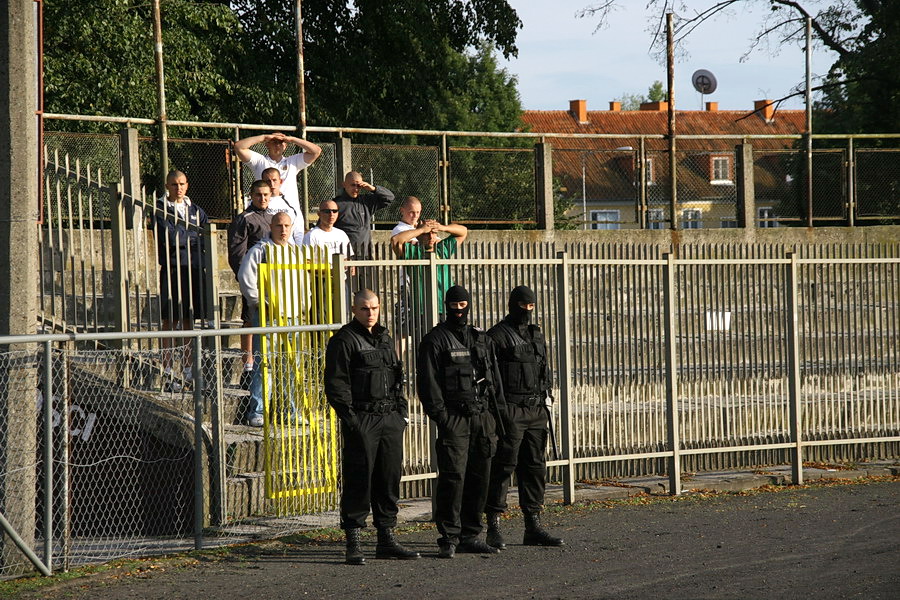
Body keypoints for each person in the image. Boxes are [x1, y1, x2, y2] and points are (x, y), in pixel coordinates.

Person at [324, 289, 420, 565]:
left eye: (375, 308)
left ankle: (386, 539)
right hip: (363, 419)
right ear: (354, 310)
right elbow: (336, 384)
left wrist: (400, 412)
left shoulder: (384, 338)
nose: (371, 314)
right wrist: (352, 420)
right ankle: (353, 541)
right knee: (359, 479)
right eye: (365, 309)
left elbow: (397, 377)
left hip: (389, 418)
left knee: (388, 478)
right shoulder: (344, 340)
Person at [416, 285, 506, 558]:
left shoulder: (482, 338)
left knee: (480, 477)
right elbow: (428, 384)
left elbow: (495, 381)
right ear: (446, 306)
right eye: (454, 305)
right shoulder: (435, 340)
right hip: (454, 419)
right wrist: (442, 417)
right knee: (453, 478)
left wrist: (497, 415)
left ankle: (471, 534)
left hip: (482, 418)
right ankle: (449, 537)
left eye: (463, 304)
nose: (459, 310)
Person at [484, 286, 564, 549]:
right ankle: (494, 524)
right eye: (523, 306)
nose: (527, 311)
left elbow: (544, 368)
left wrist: (546, 396)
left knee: (534, 467)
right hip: (512, 409)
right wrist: (501, 411)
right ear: (512, 305)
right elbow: (490, 378)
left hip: (536, 409)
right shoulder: (497, 336)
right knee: (504, 466)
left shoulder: (534, 335)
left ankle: (533, 524)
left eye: (531, 307)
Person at [237, 211, 299, 426]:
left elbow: (302, 283)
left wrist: (302, 305)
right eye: (279, 225)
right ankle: (258, 411)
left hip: (292, 317)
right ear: (271, 227)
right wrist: (258, 301)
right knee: (265, 365)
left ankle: (288, 410)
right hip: (268, 316)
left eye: (286, 226)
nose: (283, 230)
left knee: (291, 366)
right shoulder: (259, 251)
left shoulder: (295, 252)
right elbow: (245, 277)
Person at [150, 170, 208, 393]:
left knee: (188, 321)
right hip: (172, 269)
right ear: (167, 186)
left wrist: (187, 237)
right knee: (169, 321)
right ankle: (167, 372)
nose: (179, 188)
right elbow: (168, 236)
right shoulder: (160, 209)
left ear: (187, 184)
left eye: (182, 184)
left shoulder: (196, 210)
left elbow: (204, 236)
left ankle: (187, 371)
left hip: (193, 269)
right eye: (174, 184)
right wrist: (189, 237)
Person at [228, 180, 276, 384]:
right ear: (251, 195)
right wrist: (245, 278)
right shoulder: (244, 219)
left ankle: (267, 361)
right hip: (253, 279)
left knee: (271, 320)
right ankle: (248, 365)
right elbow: (237, 253)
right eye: (258, 195)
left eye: (266, 194)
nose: (262, 198)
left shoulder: (274, 218)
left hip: (273, 280)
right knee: (249, 320)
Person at [391, 219, 467, 318]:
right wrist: (421, 230)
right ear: (418, 236)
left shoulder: (442, 249)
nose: (431, 237)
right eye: (427, 234)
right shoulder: (412, 252)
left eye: (434, 233)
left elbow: (463, 231)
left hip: (446, 307)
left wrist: (442, 227)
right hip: (422, 309)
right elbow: (395, 240)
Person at [234, 132, 322, 207]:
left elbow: (316, 151)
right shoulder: (259, 160)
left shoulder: (293, 161)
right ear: (267, 144)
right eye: (274, 141)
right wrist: (264, 137)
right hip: (266, 211)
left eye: (281, 142)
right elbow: (238, 146)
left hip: (289, 211)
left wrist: (292, 139)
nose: (277, 145)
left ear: (285, 145)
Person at [333, 171, 394, 260]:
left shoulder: (366, 202)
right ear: (344, 184)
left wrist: (373, 189)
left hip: (366, 256)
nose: (356, 189)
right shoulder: (336, 205)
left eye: (359, 186)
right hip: (346, 256)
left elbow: (389, 198)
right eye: (353, 185)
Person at [260, 167, 304, 242]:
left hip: (288, 249)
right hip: (267, 248)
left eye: (274, 180)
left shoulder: (291, 202)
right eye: (268, 181)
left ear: (280, 181)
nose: (272, 184)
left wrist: (298, 249)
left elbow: (298, 229)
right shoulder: (258, 203)